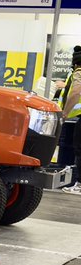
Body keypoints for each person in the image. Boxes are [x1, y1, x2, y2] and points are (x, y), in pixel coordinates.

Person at [55, 48, 81, 194]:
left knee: (79, 149)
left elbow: (77, 92)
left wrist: (65, 113)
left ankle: (79, 184)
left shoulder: (79, 72)